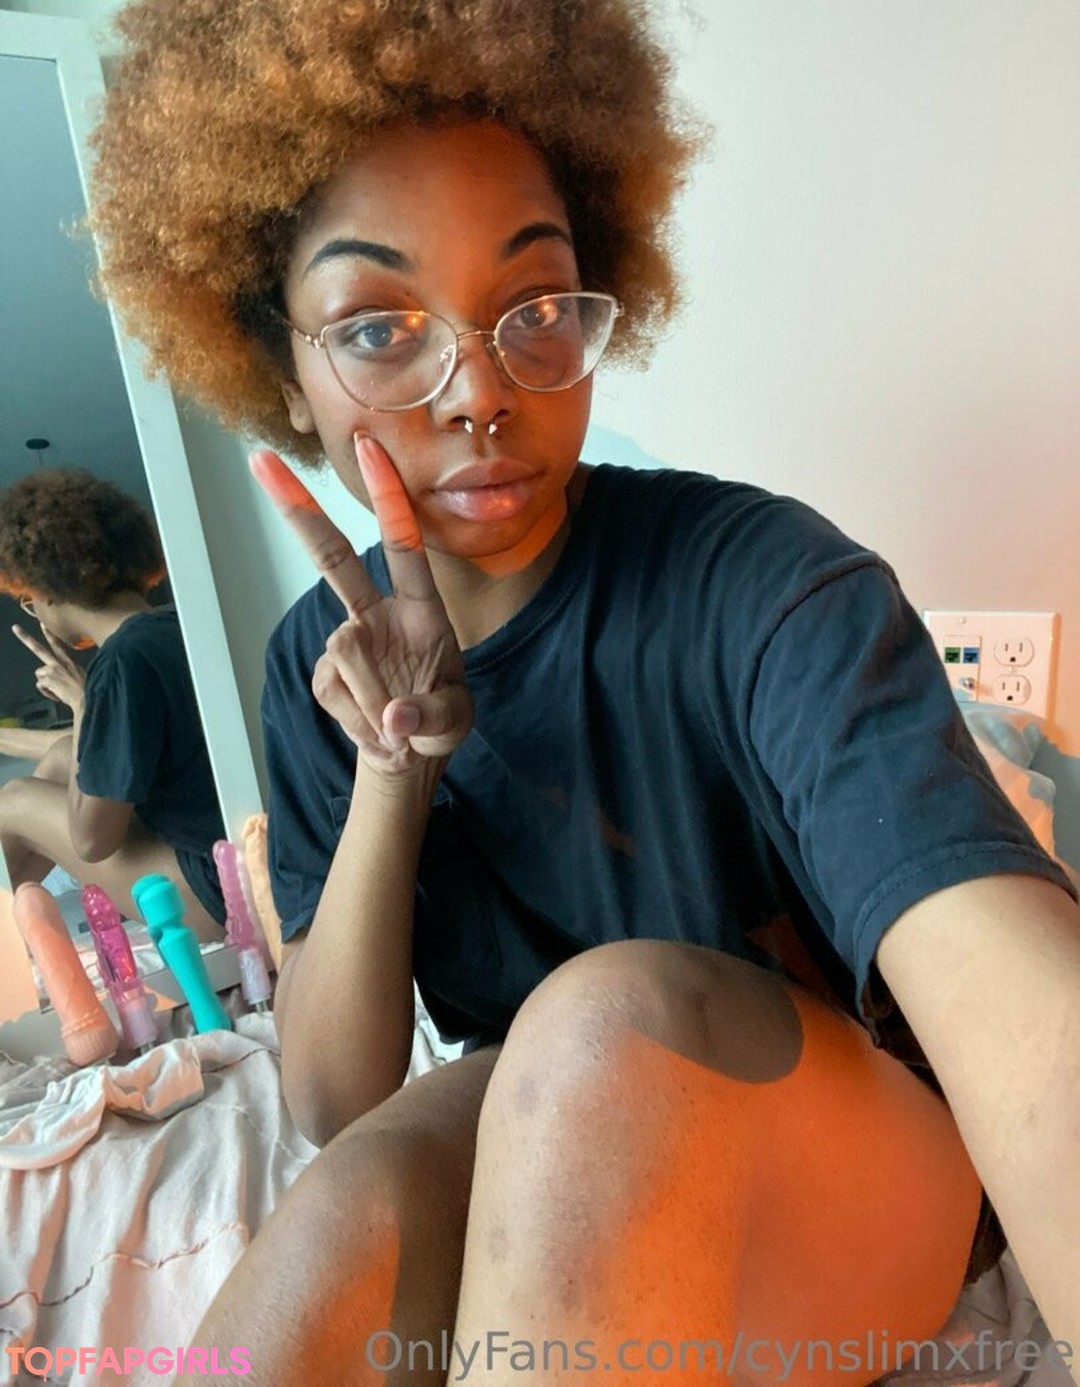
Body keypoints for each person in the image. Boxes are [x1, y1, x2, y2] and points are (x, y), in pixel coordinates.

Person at [86, 2, 1080, 1383]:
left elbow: (1021, 1011)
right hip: (544, 1126)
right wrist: (393, 771)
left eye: (536, 308)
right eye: (378, 328)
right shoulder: (322, 662)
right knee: (343, 1218)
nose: (479, 392)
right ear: (284, 374)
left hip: (869, 1173)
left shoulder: (765, 583)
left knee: (591, 1031)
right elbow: (331, 1095)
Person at [0, 468, 226, 939]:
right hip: (237, 857)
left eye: (28, 601)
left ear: (45, 589)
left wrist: (82, 704)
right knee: (62, 756)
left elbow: (91, 841)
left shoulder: (122, 661)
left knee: (14, 801)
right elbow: (102, 747)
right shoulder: (172, 629)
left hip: (213, 889)